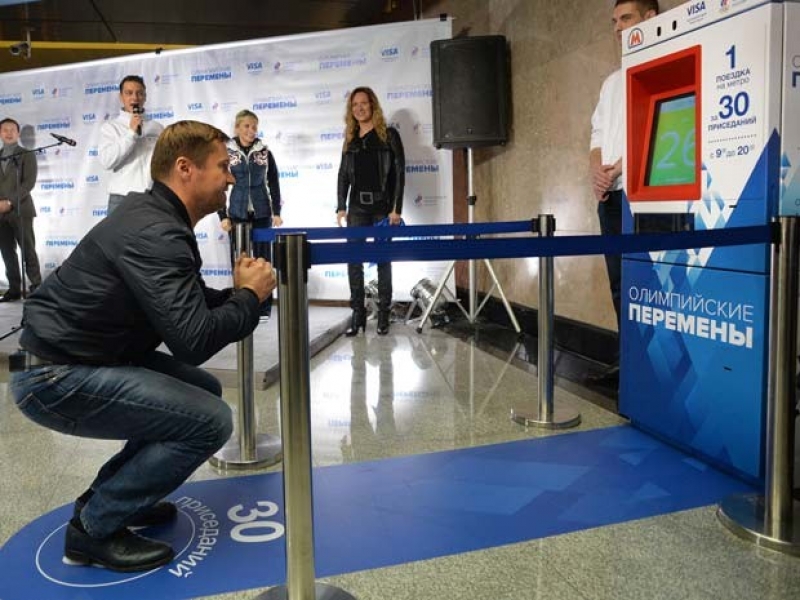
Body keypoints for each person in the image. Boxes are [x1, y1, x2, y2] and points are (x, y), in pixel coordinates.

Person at [9, 120, 276, 573]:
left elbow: (181, 304)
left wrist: (237, 295)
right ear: (185, 168)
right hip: (52, 376)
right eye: (222, 167)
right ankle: (92, 530)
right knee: (211, 422)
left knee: (203, 393)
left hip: (81, 358)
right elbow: (192, 340)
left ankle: (116, 497)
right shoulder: (158, 232)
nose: (231, 177)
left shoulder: (156, 217)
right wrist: (249, 297)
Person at [588, 0, 659, 383]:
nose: (617, 28)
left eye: (625, 18)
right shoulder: (612, 82)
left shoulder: (662, 68)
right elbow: (597, 134)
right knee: (620, 283)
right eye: (614, 21)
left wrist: (626, 167)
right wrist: (596, 171)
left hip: (647, 197)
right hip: (611, 197)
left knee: (650, 283)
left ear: (649, 19)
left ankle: (655, 368)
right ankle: (629, 360)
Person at [336, 86, 405, 336]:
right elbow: (343, 175)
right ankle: (358, 313)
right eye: (355, 105)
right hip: (356, 208)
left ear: (372, 105)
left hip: (382, 208)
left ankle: (384, 314)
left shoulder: (389, 135)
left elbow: (399, 173)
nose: (359, 108)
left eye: (363, 103)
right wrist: (340, 206)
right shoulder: (350, 138)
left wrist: (396, 208)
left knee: (383, 261)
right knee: (354, 261)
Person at [219, 109, 282, 320]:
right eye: (246, 126)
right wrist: (223, 216)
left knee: (264, 260)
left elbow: (273, 181)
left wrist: (277, 212)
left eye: (254, 126)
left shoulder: (264, 152)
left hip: (262, 213)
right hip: (236, 214)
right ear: (237, 128)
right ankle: (241, 308)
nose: (251, 130)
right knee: (240, 260)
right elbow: (219, 183)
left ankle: (264, 307)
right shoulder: (227, 153)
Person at [99, 74, 164, 215]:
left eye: (139, 93)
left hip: (152, 197)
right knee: (117, 238)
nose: (135, 98)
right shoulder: (110, 127)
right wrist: (131, 133)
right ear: (121, 97)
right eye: (129, 93)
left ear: (145, 97)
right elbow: (107, 162)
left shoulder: (157, 127)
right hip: (122, 198)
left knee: (151, 238)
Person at [0, 117, 42, 302]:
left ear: (17, 133)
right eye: (4, 130)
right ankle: (14, 289)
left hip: (21, 209)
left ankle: (36, 286)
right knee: (7, 252)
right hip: (0, 213)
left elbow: (29, 182)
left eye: (12, 129)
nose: (8, 133)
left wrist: (10, 201)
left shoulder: (26, 154)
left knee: (28, 249)